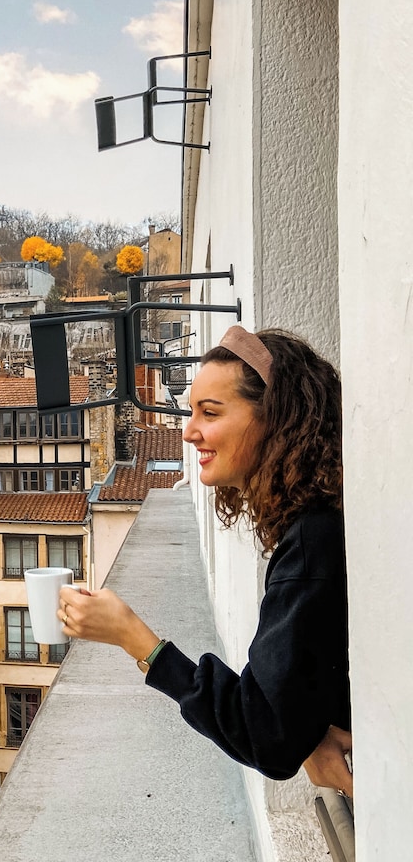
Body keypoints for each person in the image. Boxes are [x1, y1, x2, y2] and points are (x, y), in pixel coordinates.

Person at [58, 326, 353, 795]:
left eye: (209, 412)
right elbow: (296, 696)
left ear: (277, 420)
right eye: (191, 411)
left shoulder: (311, 545)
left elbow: (265, 736)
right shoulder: (323, 525)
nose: (189, 431)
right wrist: (311, 729)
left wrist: (135, 638)